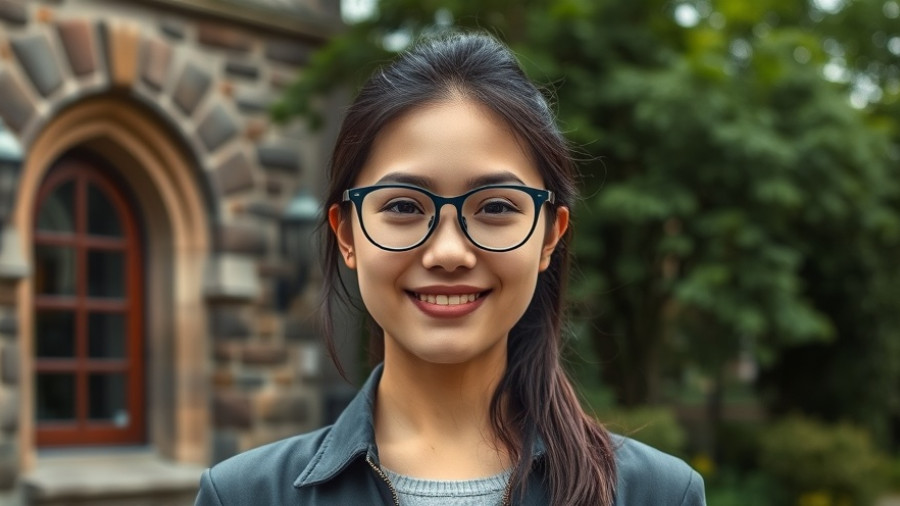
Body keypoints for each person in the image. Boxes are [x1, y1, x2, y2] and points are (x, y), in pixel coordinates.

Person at [195, 32, 706, 506]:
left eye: (496, 207)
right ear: (347, 234)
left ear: (549, 235)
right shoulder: (246, 494)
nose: (448, 252)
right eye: (402, 206)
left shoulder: (655, 492)